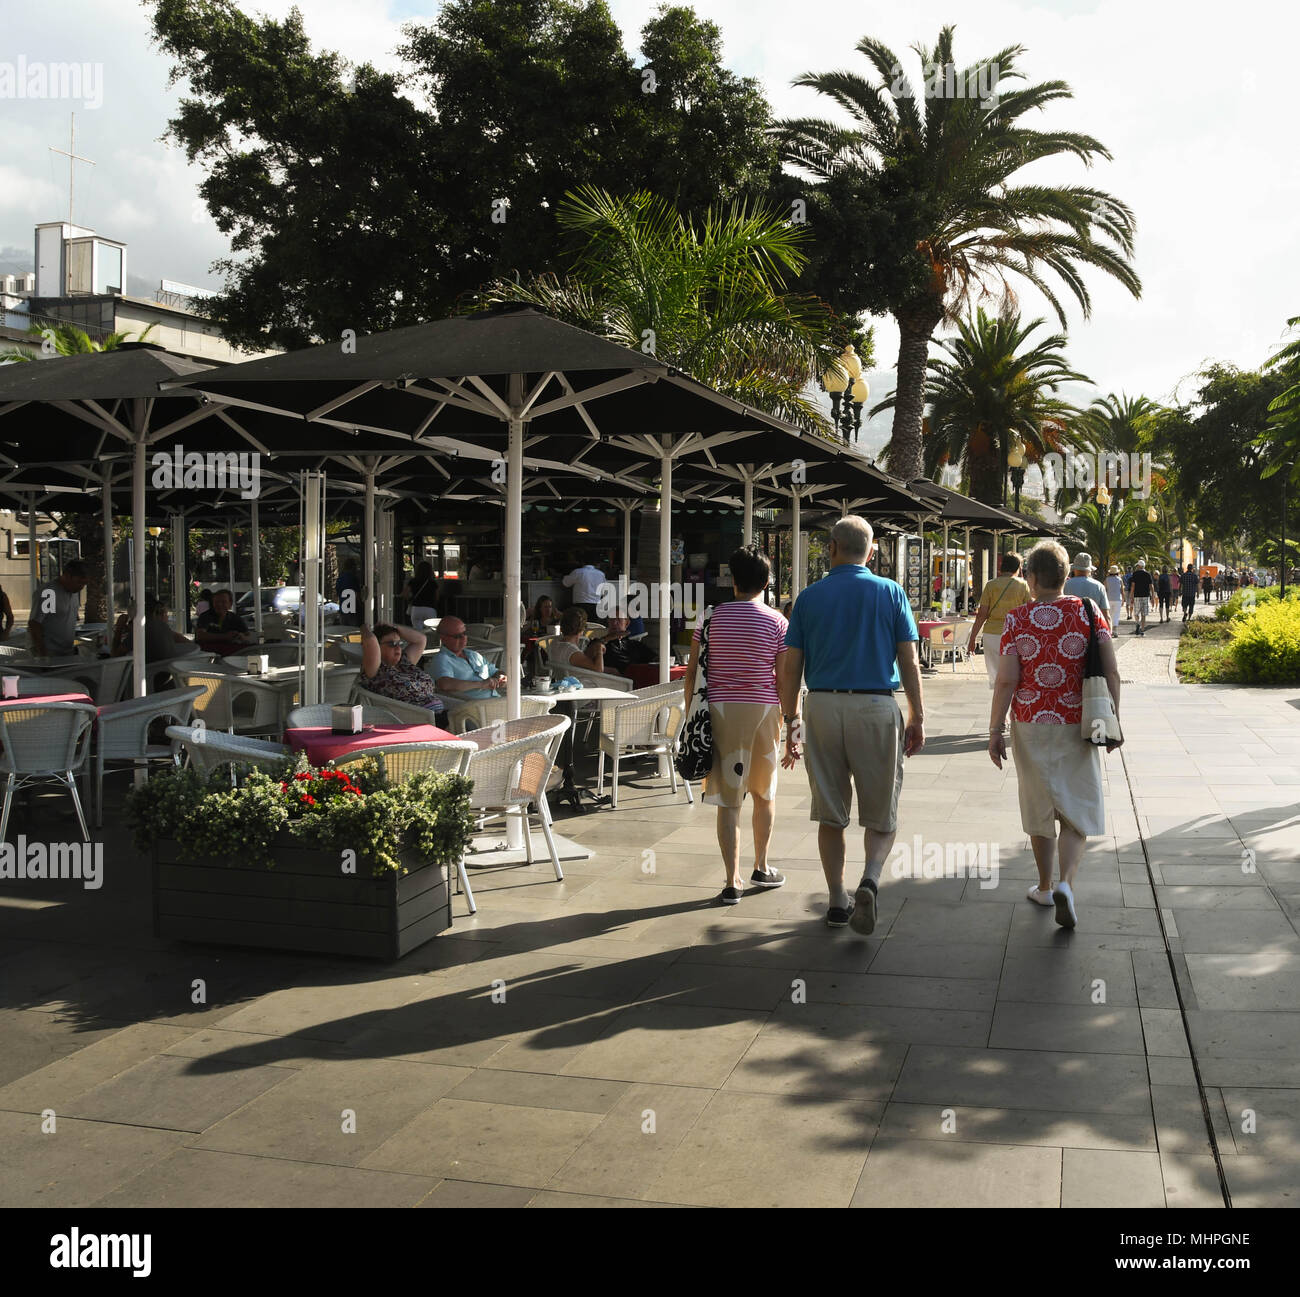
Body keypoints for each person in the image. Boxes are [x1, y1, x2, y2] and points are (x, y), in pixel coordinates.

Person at [778, 516, 925, 933]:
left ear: (832, 548)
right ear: (872, 551)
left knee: (831, 814)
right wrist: (917, 714)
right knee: (881, 813)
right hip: (877, 705)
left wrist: (790, 721)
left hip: (821, 706)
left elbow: (792, 669)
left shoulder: (808, 598)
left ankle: (838, 900)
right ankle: (871, 879)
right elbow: (909, 661)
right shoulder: (891, 593)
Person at [989, 540, 1122, 930]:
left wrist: (995, 729)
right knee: (1075, 809)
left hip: (1030, 722)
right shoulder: (1089, 611)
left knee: (1038, 805)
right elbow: (1111, 671)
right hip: (1078, 721)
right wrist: (1113, 717)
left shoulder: (1018, 619)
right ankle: (1066, 883)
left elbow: (1006, 680)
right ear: (1066, 576)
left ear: (1031, 578)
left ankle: (1044, 887)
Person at [681, 546, 788, 904]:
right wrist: (793, 721)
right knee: (764, 792)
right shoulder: (777, 622)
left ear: (732, 581)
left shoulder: (709, 617)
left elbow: (693, 669)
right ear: (767, 582)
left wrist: (690, 712)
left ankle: (732, 880)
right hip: (764, 712)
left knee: (728, 799)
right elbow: (784, 677)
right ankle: (762, 865)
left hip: (720, 711)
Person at [965, 553, 1031, 688]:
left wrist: (972, 638)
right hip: (1015, 633)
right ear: (1018, 567)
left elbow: (982, 614)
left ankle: (998, 703)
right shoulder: (1023, 585)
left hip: (992, 634)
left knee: (995, 677)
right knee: (1014, 674)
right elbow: (1029, 612)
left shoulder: (991, 585)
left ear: (1002, 567)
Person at [360, 622, 443, 710]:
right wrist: (364, 628)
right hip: (416, 718)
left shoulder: (404, 662)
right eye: (392, 644)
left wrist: (395, 627)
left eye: (399, 644)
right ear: (378, 646)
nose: (398, 648)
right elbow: (371, 640)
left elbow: (421, 639)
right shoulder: (376, 669)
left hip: (437, 713)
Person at [430, 615, 506, 699]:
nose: (463, 638)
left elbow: (496, 672)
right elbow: (445, 684)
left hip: (495, 701)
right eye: (457, 636)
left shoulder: (474, 655)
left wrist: (501, 677)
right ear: (443, 638)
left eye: (464, 633)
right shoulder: (442, 659)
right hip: (473, 707)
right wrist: (481, 684)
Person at [28, 559, 89, 658]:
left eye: (84, 584)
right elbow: (35, 624)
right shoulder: (49, 593)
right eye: (78, 582)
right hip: (49, 652)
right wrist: (43, 654)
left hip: (66, 651)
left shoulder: (73, 592)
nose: (81, 587)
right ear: (67, 576)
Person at [112, 600, 197, 663]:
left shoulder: (140, 631)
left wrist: (119, 628)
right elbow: (190, 644)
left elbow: (115, 656)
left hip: (149, 678)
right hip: (168, 674)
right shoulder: (163, 627)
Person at [546, 607, 617, 674]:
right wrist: (599, 650)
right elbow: (598, 669)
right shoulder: (571, 651)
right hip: (579, 683)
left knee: (613, 671)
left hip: (564, 679)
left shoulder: (554, 643)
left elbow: (581, 659)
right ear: (582, 629)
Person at [1063, 553, 1111, 626]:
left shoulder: (1064, 585)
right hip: (1093, 630)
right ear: (1090, 570)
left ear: (1074, 569)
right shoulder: (1099, 586)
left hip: (1070, 628)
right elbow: (1106, 614)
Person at [404, 560, 439, 631]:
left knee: (418, 632)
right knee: (431, 631)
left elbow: (405, 593)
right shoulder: (432, 583)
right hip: (430, 609)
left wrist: (409, 600)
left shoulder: (413, 581)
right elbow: (437, 596)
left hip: (416, 609)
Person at [1129, 558, 1154, 634]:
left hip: (1137, 596)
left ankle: (1137, 623)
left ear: (1139, 566)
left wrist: (1131, 595)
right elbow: (1151, 586)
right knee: (1143, 614)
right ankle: (1142, 629)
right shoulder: (1148, 574)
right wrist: (1152, 596)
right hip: (1145, 596)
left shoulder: (1135, 574)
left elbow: (1133, 586)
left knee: (1136, 613)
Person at [336, 559, 362, 626]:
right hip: (352, 608)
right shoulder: (353, 578)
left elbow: (338, 592)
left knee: (344, 629)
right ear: (353, 567)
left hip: (343, 609)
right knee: (353, 630)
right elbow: (357, 593)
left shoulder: (340, 578)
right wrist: (361, 605)